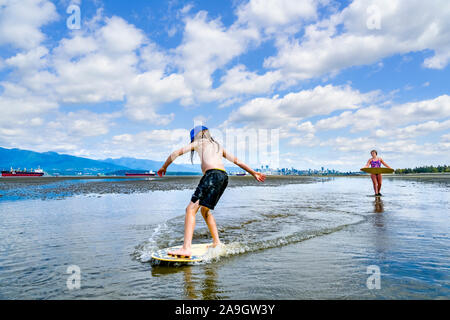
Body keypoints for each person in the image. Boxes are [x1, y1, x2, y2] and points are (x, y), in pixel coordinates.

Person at [157, 126, 266, 257]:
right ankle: (217, 242)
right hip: (223, 177)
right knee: (205, 210)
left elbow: (175, 153)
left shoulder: (198, 142)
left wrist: (164, 166)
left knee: (190, 210)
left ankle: (186, 248)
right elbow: (237, 161)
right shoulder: (218, 146)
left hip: (212, 176)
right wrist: (253, 172)